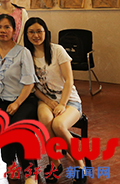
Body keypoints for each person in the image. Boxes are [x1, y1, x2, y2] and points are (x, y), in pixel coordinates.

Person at [23, 17, 86, 184]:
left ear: (46, 32)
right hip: (45, 99)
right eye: (31, 32)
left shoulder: (57, 50)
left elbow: (69, 80)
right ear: (26, 34)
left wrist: (62, 104)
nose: (36, 35)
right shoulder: (26, 55)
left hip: (69, 99)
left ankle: (80, 164)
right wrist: (48, 102)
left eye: (39, 31)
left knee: (58, 125)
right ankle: (55, 162)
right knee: (45, 119)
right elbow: (32, 86)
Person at [0, 14, 38, 184]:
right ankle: (10, 163)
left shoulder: (23, 52)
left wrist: (17, 103)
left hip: (23, 100)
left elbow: (29, 83)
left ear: (14, 31)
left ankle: (30, 171)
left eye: (7, 27)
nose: (3, 30)